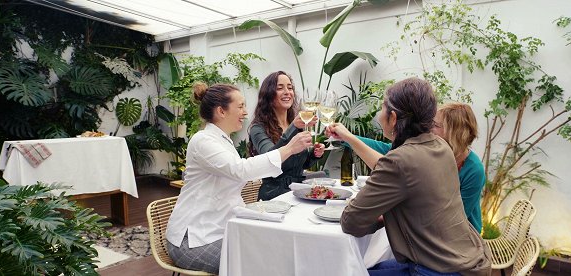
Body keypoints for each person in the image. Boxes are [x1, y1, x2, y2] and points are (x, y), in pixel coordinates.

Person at [326, 77, 491, 276]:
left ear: (393, 118)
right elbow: (399, 171)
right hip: (467, 261)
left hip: (438, 269)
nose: (379, 116)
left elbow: (351, 220)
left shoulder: (400, 160)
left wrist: (381, 212)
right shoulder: (441, 148)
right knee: (366, 268)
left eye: (382, 109)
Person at [166, 82, 312, 274]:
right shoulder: (202, 141)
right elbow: (240, 170)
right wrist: (289, 148)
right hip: (193, 240)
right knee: (262, 263)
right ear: (221, 111)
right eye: (241, 106)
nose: (245, 112)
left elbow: (245, 172)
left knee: (277, 249)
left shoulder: (224, 141)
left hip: (222, 229)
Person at [338, 103, 485, 232]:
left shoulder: (474, 170)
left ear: (455, 133)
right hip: (428, 234)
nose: (429, 128)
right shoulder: (429, 152)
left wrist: (386, 216)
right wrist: (346, 137)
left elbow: (455, 219)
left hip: (460, 241)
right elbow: (387, 149)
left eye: (435, 125)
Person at [249, 71, 325, 201]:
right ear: (268, 95)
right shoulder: (258, 128)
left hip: (298, 192)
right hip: (274, 196)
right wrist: (293, 128)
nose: (287, 92)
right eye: (279, 88)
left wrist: (314, 155)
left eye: (290, 88)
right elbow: (271, 160)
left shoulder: (295, 124)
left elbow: (299, 165)